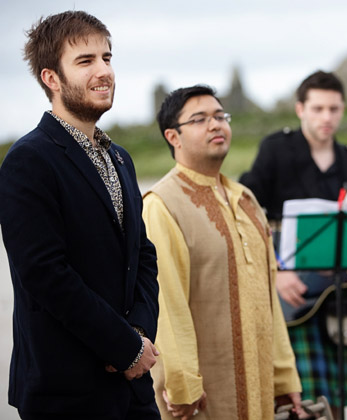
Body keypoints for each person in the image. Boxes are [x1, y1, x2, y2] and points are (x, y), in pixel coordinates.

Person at [0, 11, 160, 420]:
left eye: (107, 58)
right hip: (65, 391)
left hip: (133, 388)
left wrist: (138, 335)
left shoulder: (120, 158)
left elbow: (141, 254)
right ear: (51, 78)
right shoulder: (27, 161)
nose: (104, 70)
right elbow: (45, 274)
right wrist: (120, 347)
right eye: (86, 61)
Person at [143, 85, 303, 420]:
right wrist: (182, 385)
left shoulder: (246, 199)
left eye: (220, 116)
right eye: (200, 119)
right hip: (201, 396)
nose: (216, 125)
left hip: (259, 387)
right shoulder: (162, 205)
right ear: (173, 136)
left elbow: (269, 297)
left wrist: (283, 374)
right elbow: (167, 307)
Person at [239, 70, 347, 417]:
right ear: (300, 109)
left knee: (339, 400)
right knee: (298, 398)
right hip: (292, 294)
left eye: (334, 109)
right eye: (317, 109)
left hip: (343, 295)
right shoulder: (276, 150)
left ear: (343, 109)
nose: (326, 117)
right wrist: (275, 271)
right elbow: (245, 213)